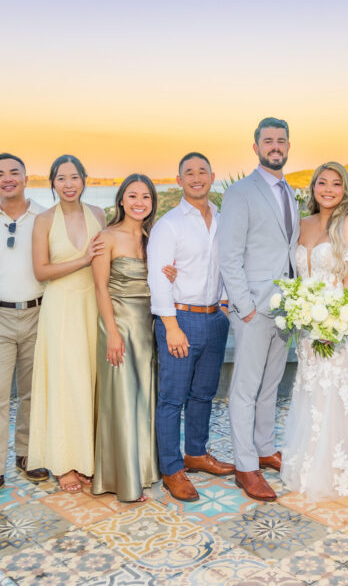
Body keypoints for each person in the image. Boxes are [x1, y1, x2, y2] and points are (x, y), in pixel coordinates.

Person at [219, 117, 300, 502]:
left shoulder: (292, 192)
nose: (275, 146)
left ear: (288, 146)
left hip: (285, 311)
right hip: (253, 309)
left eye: (280, 140)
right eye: (267, 140)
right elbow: (229, 255)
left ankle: (265, 447)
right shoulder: (240, 193)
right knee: (245, 390)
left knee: (270, 387)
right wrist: (246, 308)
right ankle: (246, 467)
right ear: (255, 147)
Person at [281, 161, 348, 500]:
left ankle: (338, 469)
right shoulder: (301, 225)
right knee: (309, 388)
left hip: (338, 324)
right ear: (313, 187)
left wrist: (336, 324)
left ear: (344, 189)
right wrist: (302, 314)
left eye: (336, 183)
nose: (329, 189)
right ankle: (307, 463)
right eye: (322, 182)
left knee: (335, 390)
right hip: (305, 325)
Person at [147, 153, 235, 503]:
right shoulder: (169, 224)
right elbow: (158, 276)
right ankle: (171, 469)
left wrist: (225, 305)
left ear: (212, 176)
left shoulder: (224, 220)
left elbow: (231, 263)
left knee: (203, 394)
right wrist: (171, 325)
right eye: (189, 173)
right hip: (180, 319)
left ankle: (196, 454)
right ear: (179, 179)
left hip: (215, 319)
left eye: (202, 171)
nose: (196, 177)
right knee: (172, 398)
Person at [0, 153, 51, 508]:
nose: (7, 179)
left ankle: (27, 454)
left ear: (25, 177)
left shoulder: (46, 218)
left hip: (39, 313)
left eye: (13, 172)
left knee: (34, 393)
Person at [29, 155, 106, 494]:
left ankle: (86, 460)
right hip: (60, 309)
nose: (69, 183)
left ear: (84, 179)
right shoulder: (43, 220)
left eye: (75, 176)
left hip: (92, 304)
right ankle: (63, 463)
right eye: (62, 178)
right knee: (64, 383)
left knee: (89, 382)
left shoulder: (99, 215)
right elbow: (41, 272)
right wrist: (83, 260)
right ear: (53, 183)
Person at [91, 174, 160, 502]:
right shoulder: (107, 236)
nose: (138, 203)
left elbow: (159, 280)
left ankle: (145, 470)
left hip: (148, 326)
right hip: (118, 325)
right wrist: (112, 334)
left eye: (145, 197)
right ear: (121, 200)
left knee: (144, 397)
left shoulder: (152, 238)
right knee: (120, 398)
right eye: (132, 196)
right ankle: (124, 481)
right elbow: (100, 287)